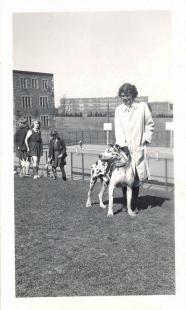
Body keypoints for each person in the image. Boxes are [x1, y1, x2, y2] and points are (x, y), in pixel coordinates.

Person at [114, 83, 154, 210]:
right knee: (125, 177)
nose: (125, 99)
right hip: (125, 149)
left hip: (138, 148)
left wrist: (145, 139)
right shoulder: (119, 110)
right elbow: (118, 130)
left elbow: (149, 125)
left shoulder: (142, 107)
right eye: (123, 96)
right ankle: (126, 204)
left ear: (133, 95)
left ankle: (134, 203)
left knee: (136, 178)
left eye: (128, 95)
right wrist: (123, 145)